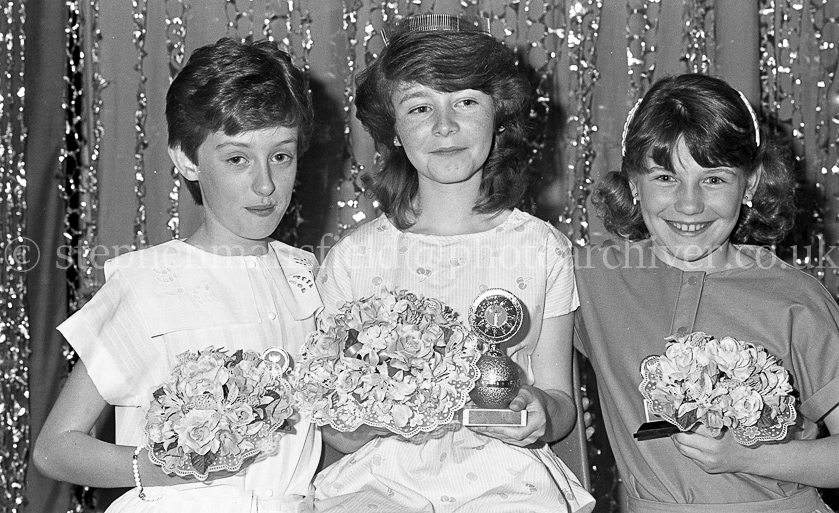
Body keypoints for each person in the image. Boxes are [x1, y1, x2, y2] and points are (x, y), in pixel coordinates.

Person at [312, 14, 595, 513]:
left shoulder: (540, 248)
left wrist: (540, 411)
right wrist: (377, 412)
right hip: (380, 483)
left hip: (506, 482)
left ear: (498, 113)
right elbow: (333, 425)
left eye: (465, 101)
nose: (445, 126)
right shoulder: (354, 259)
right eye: (420, 107)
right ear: (393, 129)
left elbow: (559, 401)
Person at [33, 37, 322, 512]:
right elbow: (55, 448)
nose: (265, 184)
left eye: (281, 156)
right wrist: (165, 466)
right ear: (188, 160)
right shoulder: (148, 283)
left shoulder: (305, 275)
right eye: (237, 158)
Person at [575, 73, 839, 512]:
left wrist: (752, 456)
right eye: (665, 177)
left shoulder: (796, 298)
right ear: (634, 183)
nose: (689, 204)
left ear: (750, 184)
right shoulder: (593, 278)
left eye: (713, 179)